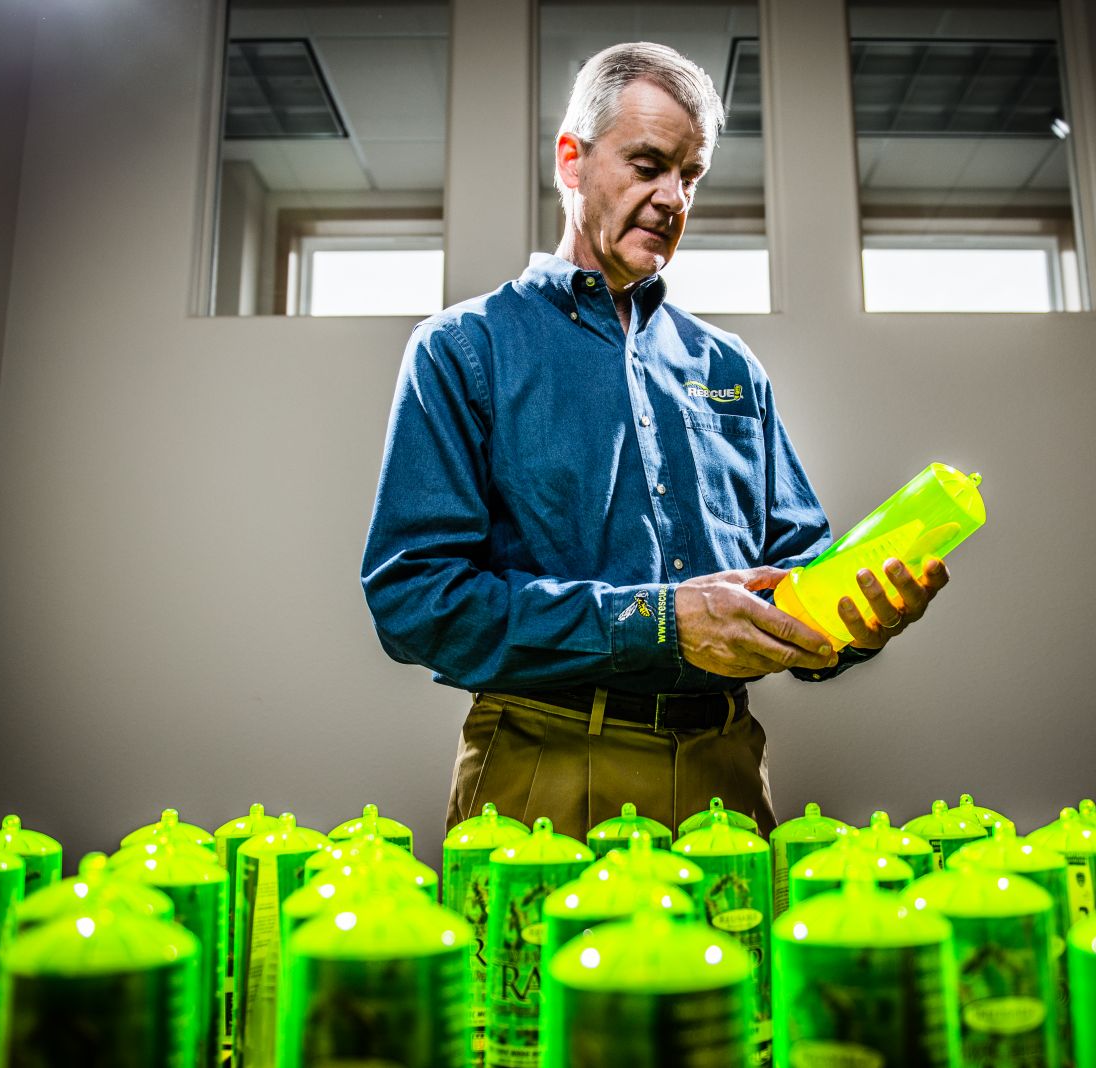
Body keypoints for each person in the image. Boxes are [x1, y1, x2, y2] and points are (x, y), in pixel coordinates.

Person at [360, 42, 947, 839]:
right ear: (572, 161)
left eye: (690, 176)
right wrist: (661, 622)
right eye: (647, 164)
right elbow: (414, 602)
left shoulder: (731, 368)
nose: (673, 198)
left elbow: (797, 573)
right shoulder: (465, 350)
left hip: (726, 768)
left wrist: (850, 619)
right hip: (544, 769)